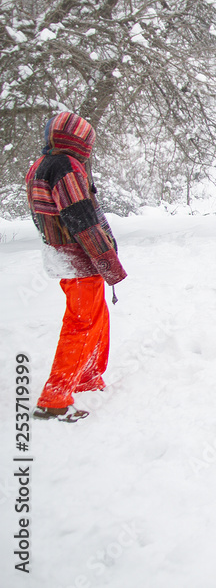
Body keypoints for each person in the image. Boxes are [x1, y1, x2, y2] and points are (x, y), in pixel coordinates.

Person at [25, 111, 127, 422]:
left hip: (65, 256)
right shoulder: (64, 166)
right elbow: (81, 217)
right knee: (81, 324)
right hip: (79, 257)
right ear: (79, 142)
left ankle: (87, 376)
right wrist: (106, 259)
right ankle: (54, 397)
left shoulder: (40, 167)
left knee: (95, 319)